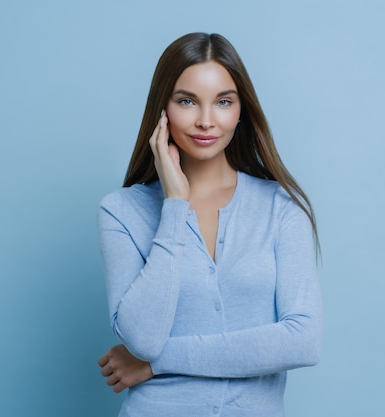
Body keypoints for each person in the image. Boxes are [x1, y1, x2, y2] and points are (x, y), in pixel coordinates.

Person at [96, 32, 322, 417]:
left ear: (240, 110)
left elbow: (302, 341)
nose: (205, 120)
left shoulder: (281, 208)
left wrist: (156, 363)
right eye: (187, 101)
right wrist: (174, 206)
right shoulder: (121, 211)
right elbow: (143, 339)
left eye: (222, 102)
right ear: (162, 109)